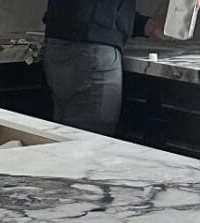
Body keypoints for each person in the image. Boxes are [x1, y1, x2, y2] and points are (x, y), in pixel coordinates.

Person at [42, 0, 163, 135]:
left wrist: (145, 25)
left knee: (65, 139)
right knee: (89, 144)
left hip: (59, 43)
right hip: (92, 52)